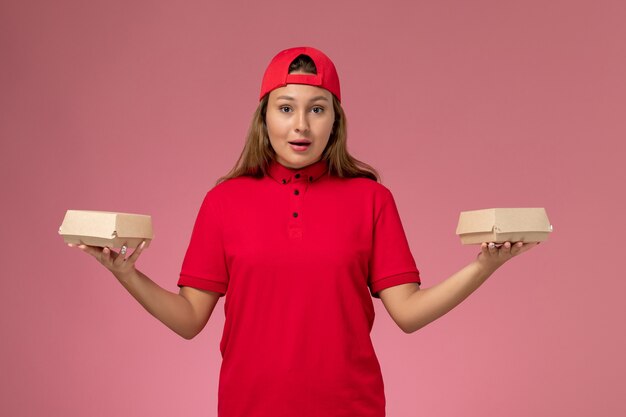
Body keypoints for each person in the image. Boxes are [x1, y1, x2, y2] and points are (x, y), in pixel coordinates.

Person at [70, 46, 538, 417]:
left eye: (317, 109)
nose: (300, 125)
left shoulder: (371, 200)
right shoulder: (224, 202)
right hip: (247, 411)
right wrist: (125, 273)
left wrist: (485, 266)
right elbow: (190, 319)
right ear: (264, 118)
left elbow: (409, 313)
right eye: (285, 107)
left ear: (335, 121)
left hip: (351, 411)